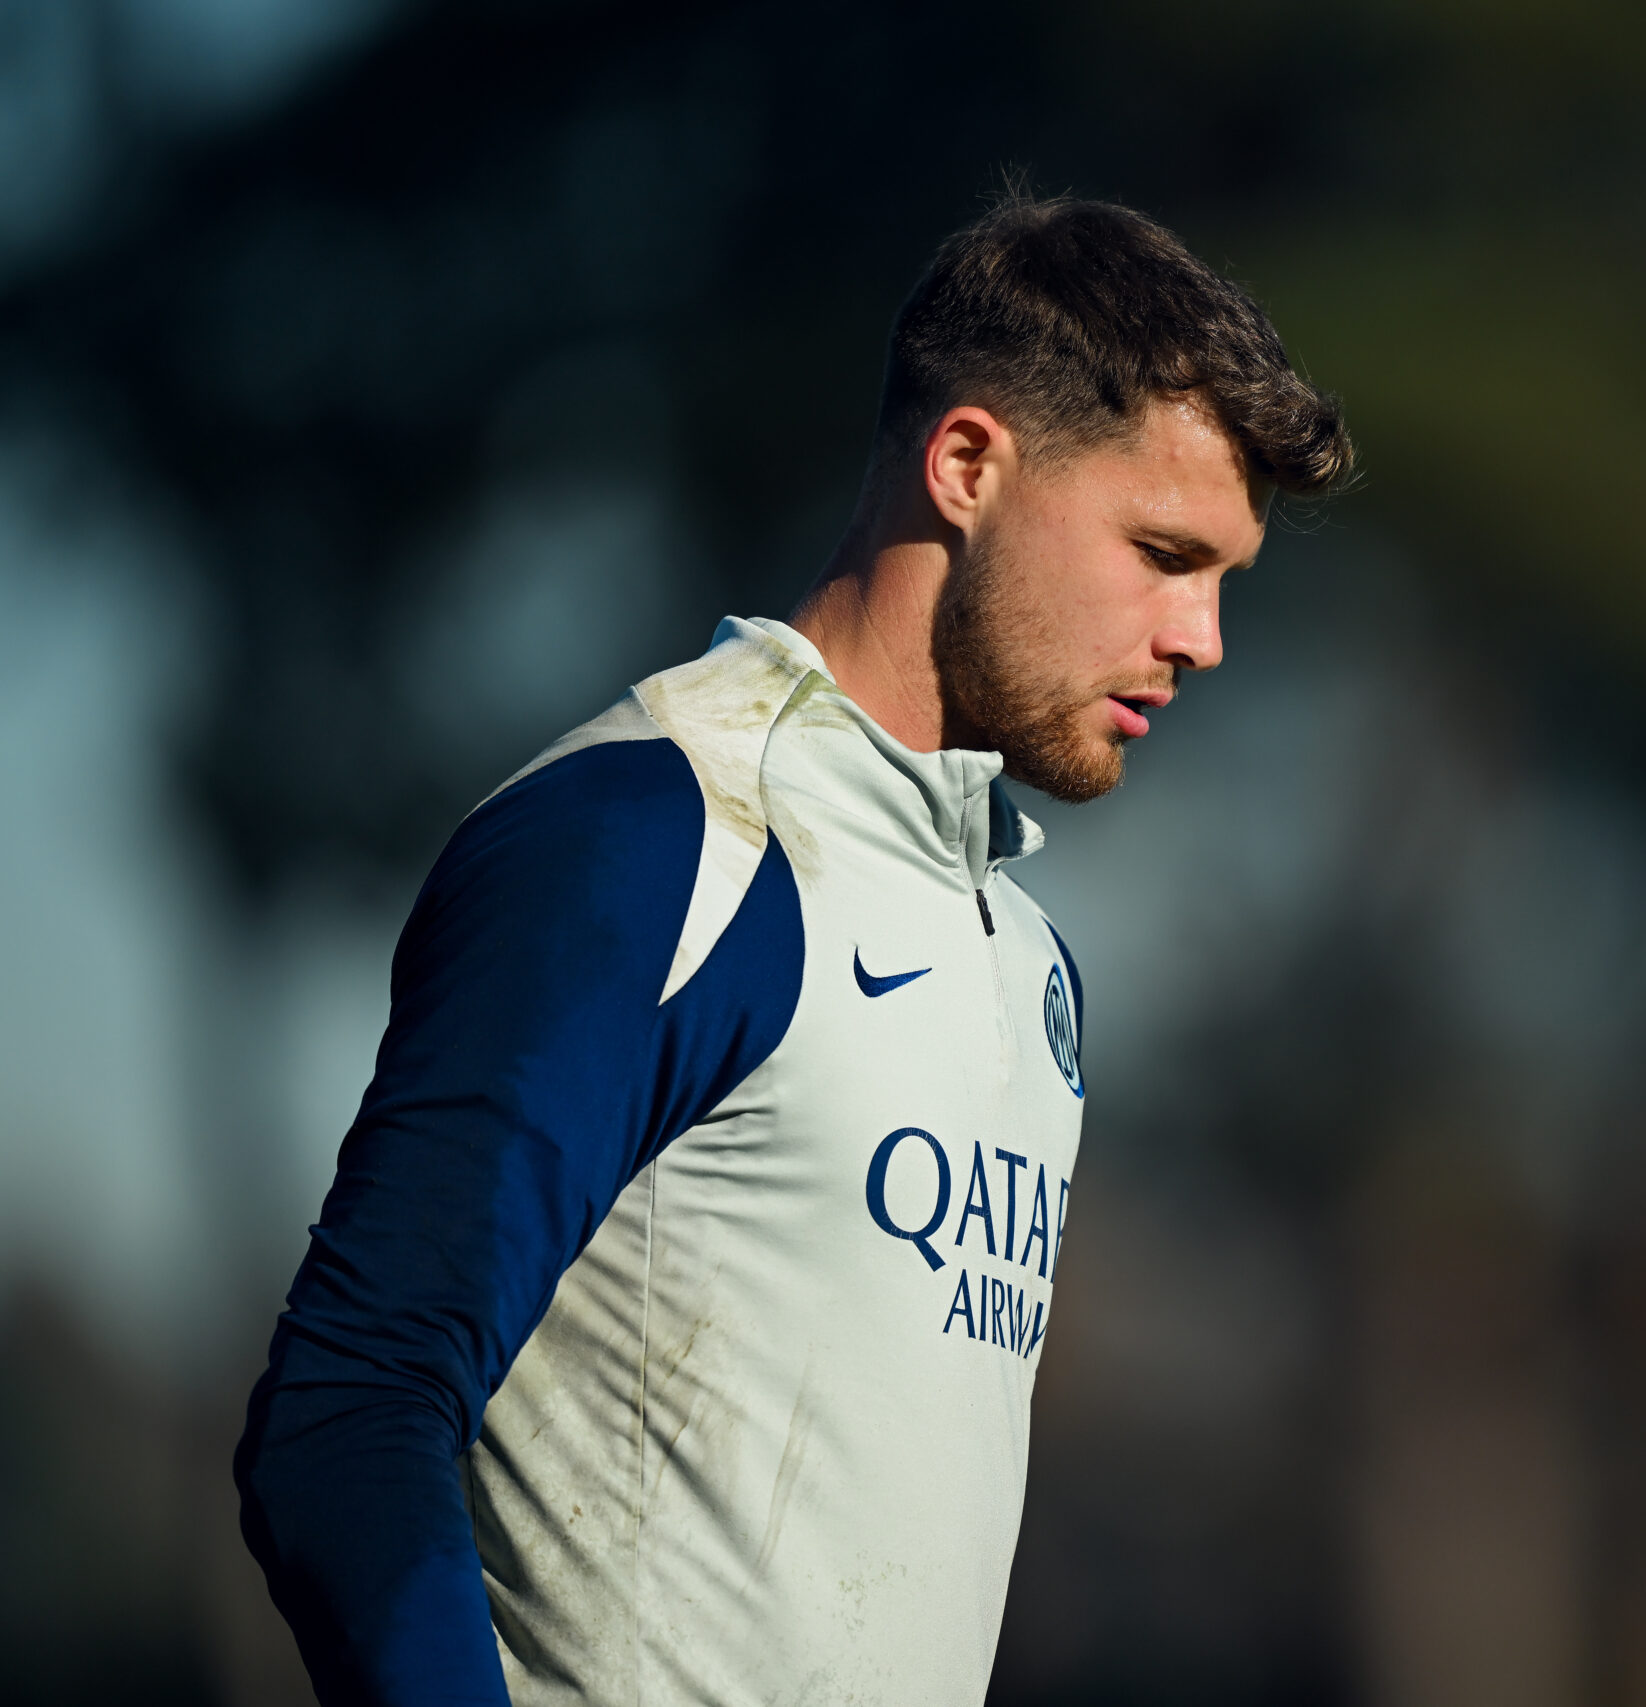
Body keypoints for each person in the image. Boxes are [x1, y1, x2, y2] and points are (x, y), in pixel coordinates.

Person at [234, 193, 1353, 1707]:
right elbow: (349, 1418)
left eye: (1225, 580)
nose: (1202, 636)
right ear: (967, 465)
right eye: (1164, 552)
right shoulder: (655, 842)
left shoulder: (1031, 968)